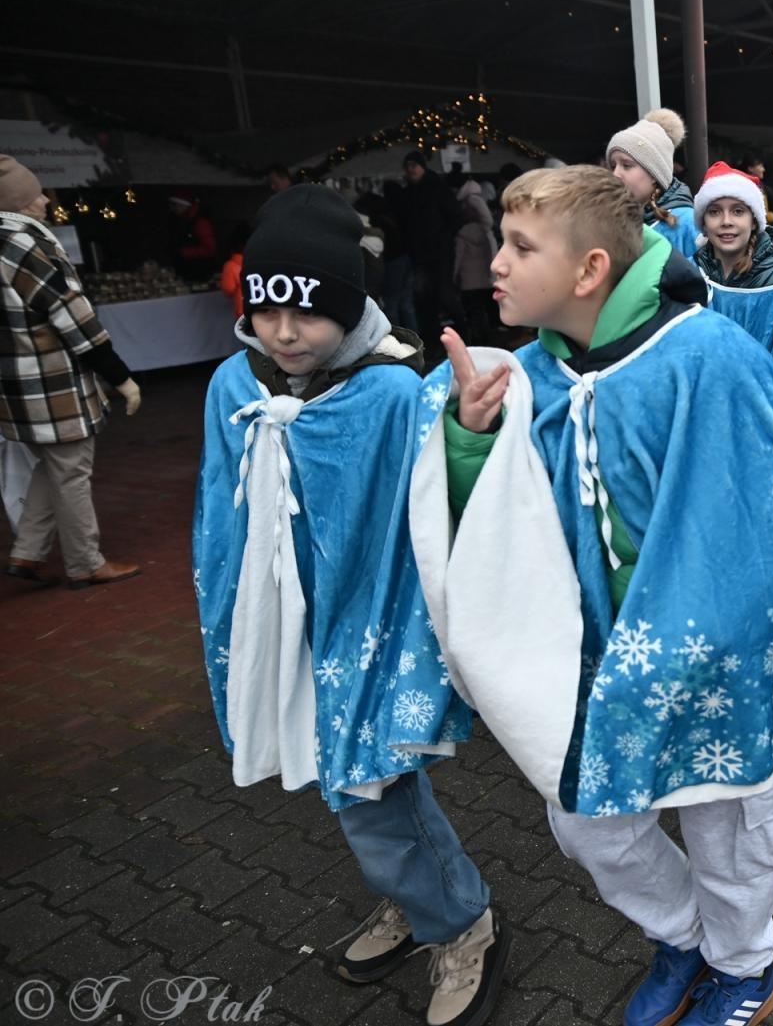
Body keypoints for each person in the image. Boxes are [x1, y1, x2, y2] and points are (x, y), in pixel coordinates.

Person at [415, 165, 773, 1026]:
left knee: (729, 834)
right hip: (590, 666)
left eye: (519, 246)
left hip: (714, 667)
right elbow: (494, 533)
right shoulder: (522, 378)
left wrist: (703, 638)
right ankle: (685, 937)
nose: (494, 264)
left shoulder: (709, 357)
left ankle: (744, 969)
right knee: (587, 821)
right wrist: (471, 440)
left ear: (589, 271)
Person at [191, 185, 504, 1026]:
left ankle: (462, 918)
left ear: (352, 306)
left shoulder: (392, 394)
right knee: (351, 781)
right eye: (266, 311)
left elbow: (443, 505)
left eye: (310, 314)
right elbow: (219, 501)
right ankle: (417, 895)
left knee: (370, 781)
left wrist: (471, 431)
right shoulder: (234, 381)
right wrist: (230, 612)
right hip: (284, 622)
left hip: (371, 625)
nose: (285, 333)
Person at [0, 156, 142, 589]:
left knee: (51, 466)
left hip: (16, 387)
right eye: (37, 194)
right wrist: (121, 378)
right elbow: (73, 317)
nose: (45, 200)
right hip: (52, 386)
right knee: (72, 472)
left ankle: (27, 554)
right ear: (17, 203)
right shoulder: (25, 246)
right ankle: (85, 562)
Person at [692, 161, 773, 353]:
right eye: (714, 212)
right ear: (703, 223)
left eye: (738, 211)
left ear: (754, 221)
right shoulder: (687, 276)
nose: (726, 222)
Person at [607, 108, 699, 260]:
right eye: (613, 165)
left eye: (627, 165)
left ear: (655, 174)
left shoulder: (687, 222)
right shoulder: (609, 221)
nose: (616, 174)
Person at [399, 150, 462, 356]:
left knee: (443, 294)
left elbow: (454, 217)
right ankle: (435, 340)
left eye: (414, 165)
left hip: (439, 252)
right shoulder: (410, 193)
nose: (411, 170)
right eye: (408, 166)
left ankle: (461, 334)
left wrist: (442, 238)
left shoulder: (436, 189)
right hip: (422, 254)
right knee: (425, 297)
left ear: (422, 167)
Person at [452, 179, 497, 345]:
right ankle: (487, 336)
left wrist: (454, 275)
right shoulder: (485, 234)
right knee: (483, 309)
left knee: (472, 311)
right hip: (484, 280)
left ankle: (476, 339)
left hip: (468, 281)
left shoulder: (462, 235)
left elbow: (458, 257)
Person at [169, 190, 219, 282]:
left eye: (175, 205)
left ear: (183, 205)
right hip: (189, 269)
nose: (172, 208)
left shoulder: (200, 223)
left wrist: (185, 252)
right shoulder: (183, 220)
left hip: (201, 271)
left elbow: (210, 249)